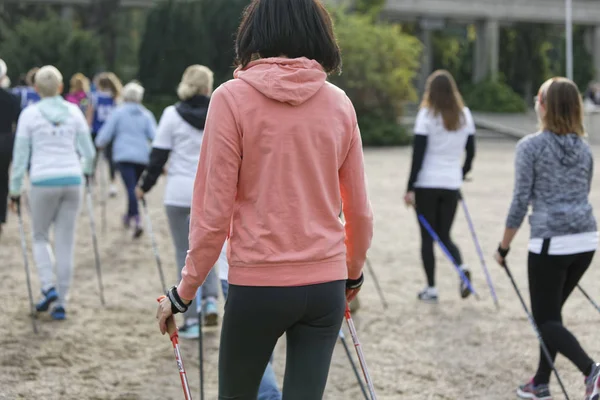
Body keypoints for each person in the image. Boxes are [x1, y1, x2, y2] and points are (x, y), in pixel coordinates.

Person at [156, 0, 374, 398]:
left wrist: (183, 293)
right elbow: (358, 209)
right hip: (325, 282)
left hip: (258, 284)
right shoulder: (339, 103)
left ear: (254, 33)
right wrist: (353, 272)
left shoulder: (230, 99)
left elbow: (211, 216)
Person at [494, 77, 600, 400]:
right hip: (586, 241)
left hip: (551, 244)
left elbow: (519, 201)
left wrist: (503, 246)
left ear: (543, 105)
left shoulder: (530, 146)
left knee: (545, 319)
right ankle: (540, 382)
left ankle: (592, 370)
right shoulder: (585, 149)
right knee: (552, 315)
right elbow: (583, 192)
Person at [136, 65, 221, 334]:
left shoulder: (171, 114)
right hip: (209, 193)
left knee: (184, 254)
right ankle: (210, 301)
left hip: (177, 193)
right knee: (209, 249)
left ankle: (191, 319)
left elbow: (158, 155)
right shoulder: (219, 113)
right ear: (208, 87)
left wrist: (144, 186)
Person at [9, 65, 95, 320]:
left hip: (42, 181)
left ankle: (48, 287)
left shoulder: (29, 115)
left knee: (39, 236)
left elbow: (21, 156)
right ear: (60, 87)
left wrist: (15, 189)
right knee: (65, 242)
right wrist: (84, 171)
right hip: (72, 179)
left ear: (36, 89)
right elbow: (88, 152)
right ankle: (62, 302)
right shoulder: (73, 112)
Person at [404, 70, 476, 303]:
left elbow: (419, 153)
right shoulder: (464, 115)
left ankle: (432, 288)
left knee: (427, 237)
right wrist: (460, 174)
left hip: (427, 183)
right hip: (450, 184)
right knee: (444, 233)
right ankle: (462, 267)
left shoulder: (426, 115)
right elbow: (471, 151)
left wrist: (410, 186)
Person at [96, 81, 156, 238]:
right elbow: (154, 136)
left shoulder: (118, 112)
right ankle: (129, 215)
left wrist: (99, 143)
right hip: (142, 156)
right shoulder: (146, 114)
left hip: (123, 156)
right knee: (134, 187)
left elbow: (106, 133)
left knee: (131, 188)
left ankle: (136, 219)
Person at [88, 72, 122, 197]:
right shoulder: (115, 97)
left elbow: (90, 113)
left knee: (93, 158)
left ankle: (90, 184)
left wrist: (88, 126)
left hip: (96, 131)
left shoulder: (94, 96)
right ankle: (112, 184)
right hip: (110, 132)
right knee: (111, 159)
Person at [0, 59, 21, 238]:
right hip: (5, 142)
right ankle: (1, 217)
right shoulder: (12, 97)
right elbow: (18, 122)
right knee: (3, 178)